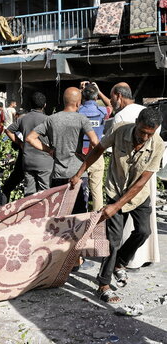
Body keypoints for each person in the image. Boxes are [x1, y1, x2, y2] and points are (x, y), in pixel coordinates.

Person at [70, 107, 164, 303]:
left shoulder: (158, 145)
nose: (144, 137)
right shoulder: (120, 130)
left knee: (144, 232)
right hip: (116, 190)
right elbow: (98, 149)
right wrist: (80, 173)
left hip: (138, 196)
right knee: (113, 240)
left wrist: (115, 207)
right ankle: (103, 283)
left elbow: (141, 182)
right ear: (136, 122)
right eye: (142, 132)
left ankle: (119, 262)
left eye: (149, 133)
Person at [110, 83, 160, 270]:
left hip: (127, 177)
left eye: (111, 97)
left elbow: (111, 149)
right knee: (144, 225)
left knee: (126, 221)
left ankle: (124, 261)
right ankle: (142, 257)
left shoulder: (121, 117)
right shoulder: (147, 112)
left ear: (118, 96)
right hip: (148, 174)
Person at [27, 87, 99, 213]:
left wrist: (49, 150)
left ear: (64, 101)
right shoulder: (82, 119)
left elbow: (30, 138)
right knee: (79, 214)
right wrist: (86, 157)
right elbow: (95, 142)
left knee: (59, 213)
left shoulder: (51, 119)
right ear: (78, 102)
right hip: (78, 173)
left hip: (58, 174)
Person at [6, 92, 53, 196]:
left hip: (28, 160)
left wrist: (20, 143)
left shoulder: (23, 118)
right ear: (45, 105)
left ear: (30, 105)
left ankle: (30, 212)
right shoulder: (48, 120)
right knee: (44, 194)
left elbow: (8, 130)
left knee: (29, 194)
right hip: (44, 161)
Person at [79, 83, 108, 211]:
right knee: (96, 189)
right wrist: (99, 90)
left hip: (79, 154)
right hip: (96, 153)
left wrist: (81, 91)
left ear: (83, 97)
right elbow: (111, 105)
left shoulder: (77, 111)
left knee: (78, 189)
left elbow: (72, 103)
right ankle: (97, 219)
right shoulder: (102, 111)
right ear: (96, 98)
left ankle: (79, 215)